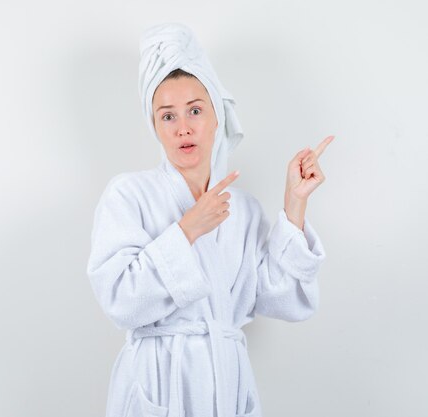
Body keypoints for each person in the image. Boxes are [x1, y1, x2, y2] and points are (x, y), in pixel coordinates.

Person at [86, 22, 333, 417]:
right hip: (159, 381)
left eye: (195, 110)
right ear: (155, 126)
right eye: (167, 116)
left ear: (217, 116)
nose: (183, 127)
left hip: (225, 384)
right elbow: (119, 301)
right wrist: (187, 230)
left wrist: (294, 202)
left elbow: (284, 300)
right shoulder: (127, 195)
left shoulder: (244, 209)